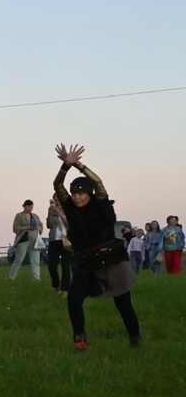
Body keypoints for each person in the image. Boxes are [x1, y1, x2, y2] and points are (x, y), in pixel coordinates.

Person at [52, 143, 140, 350]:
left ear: (89, 194)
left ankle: (135, 340)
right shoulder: (71, 208)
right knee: (74, 300)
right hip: (86, 264)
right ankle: (80, 342)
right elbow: (58, 185)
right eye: (74, 193)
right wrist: (65, 167)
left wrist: (79, 165)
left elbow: (98, 183)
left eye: (81, 193)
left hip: (112, 261)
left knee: (124, 305)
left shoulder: (101, 205)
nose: (76, 196)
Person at [9, 199, 44, 282]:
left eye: (31, 207)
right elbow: (15, 228)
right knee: (19, 259)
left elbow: (41, 225)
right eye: (28, 207)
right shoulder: (19, 216)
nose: (29, 209)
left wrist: (38, 228)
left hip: (34, 240)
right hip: (23, 240)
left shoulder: (35, 216)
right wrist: (27, 227)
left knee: (35, 261)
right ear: (24, 206)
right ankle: (11, 277)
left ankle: (36, 279)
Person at [46, 198, 72, 296]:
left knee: (66, 266)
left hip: (66, 241)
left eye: (58, 200)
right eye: (54, 200)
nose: (56, 202)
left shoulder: (69, 210)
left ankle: (66, 289)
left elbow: (69, 223)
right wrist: (49, 213)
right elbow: (49, 225)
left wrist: (60, 213)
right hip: (54, 240)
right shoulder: (52, 212)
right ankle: (56, 285)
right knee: (52, 266)